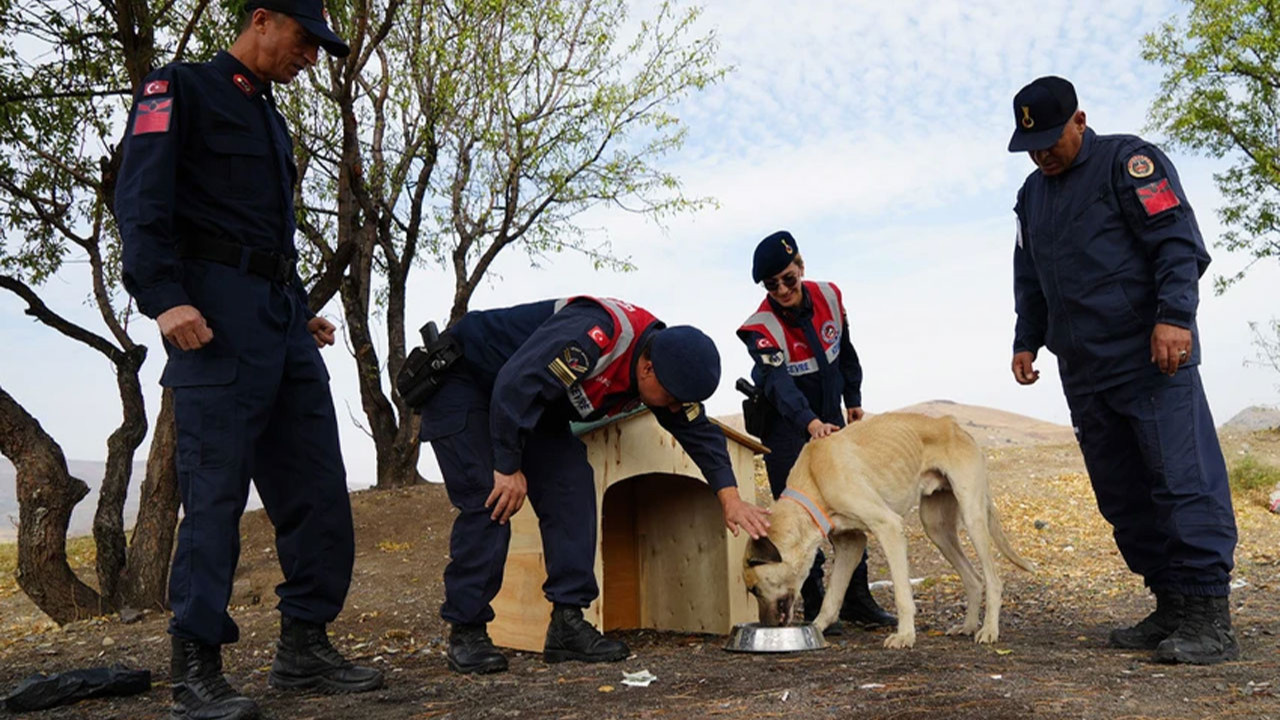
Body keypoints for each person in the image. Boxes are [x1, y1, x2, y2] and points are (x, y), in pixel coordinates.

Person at [115, 3, 383, 718]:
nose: (312, 58)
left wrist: (299, 310)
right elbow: (139, 199)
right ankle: (196, 667)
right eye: (305, 41)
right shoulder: (181, 88)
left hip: (278, 318)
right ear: (261, 20)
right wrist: (163, 297)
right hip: (212, 319)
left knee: (319, 488)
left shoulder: (271, 116)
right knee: (216, 498)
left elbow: (264, 231)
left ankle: (304, 649)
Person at [1007, 76, 1239, 665]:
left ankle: (1209, 614)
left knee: (1182, 481)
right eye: (1031, 145)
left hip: (1150, 357)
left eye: (1052, 140)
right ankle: (1171, 603)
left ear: (1080, 120)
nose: (1042, 154)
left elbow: (1176, 242)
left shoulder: (1130, 162)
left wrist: (1175, 318)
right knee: (1124, 494)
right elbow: (1029, 275)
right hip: (1083, 370)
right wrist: (1026, 339)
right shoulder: (1031, 196)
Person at [412, 297, 771, 674]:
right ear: (647, 369)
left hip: (530, 403)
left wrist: (730, 498)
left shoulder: (666, 368)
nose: (677, 408)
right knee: (492, 498)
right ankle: (467, 631)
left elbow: (699, 433)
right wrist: (506, 465)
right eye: (674, 399)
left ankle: (567, 623)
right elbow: (514, 385)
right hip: (468, 382)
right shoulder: (594, 337)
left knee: (571, 484)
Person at [735, 230, 895, 631]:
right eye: (772, 285)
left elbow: (845, 349)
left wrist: (853, 397)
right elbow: (779, 385)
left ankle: (856, 598)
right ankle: (817, 601)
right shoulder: (760, 327)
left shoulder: (830, 296)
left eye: (788, 279)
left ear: (801, 267)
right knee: (804, 514)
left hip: (829, 420)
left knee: (849, 506)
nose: (782, 289)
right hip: (787, 425)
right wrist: (810, 423)